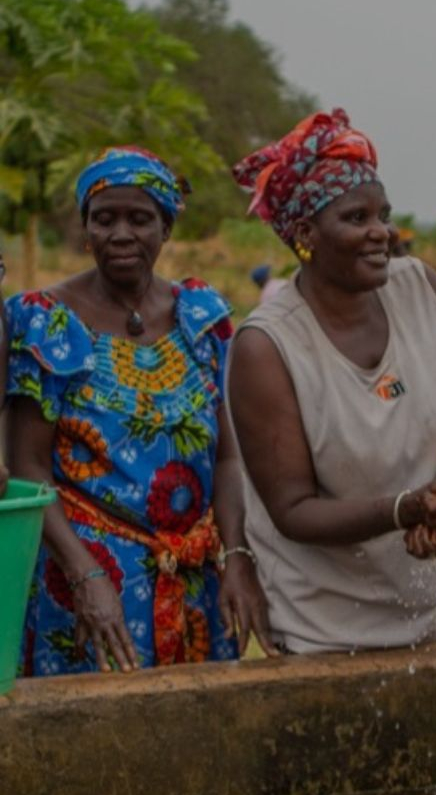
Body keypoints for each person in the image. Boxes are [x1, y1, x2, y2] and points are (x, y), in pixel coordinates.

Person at [227, 109, 436, 653]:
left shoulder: (421, 289)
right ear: (305, 235)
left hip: (421, 615)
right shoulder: (267, 346)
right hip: (318, 634)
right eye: (357, 218)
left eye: (384, 215)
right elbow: (293, 510)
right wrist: (406, 510)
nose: (383, 233)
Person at [5, 146, 273, 675]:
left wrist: (237, 558)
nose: (121, 233)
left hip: (195, 580)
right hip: (87, 587)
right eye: (104, 219)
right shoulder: (46, 323)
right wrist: (85, 577)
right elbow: (29, 467)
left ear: (166, 228)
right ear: (86, 229)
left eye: (139, 218)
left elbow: (225, 458)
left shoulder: (201, 318)